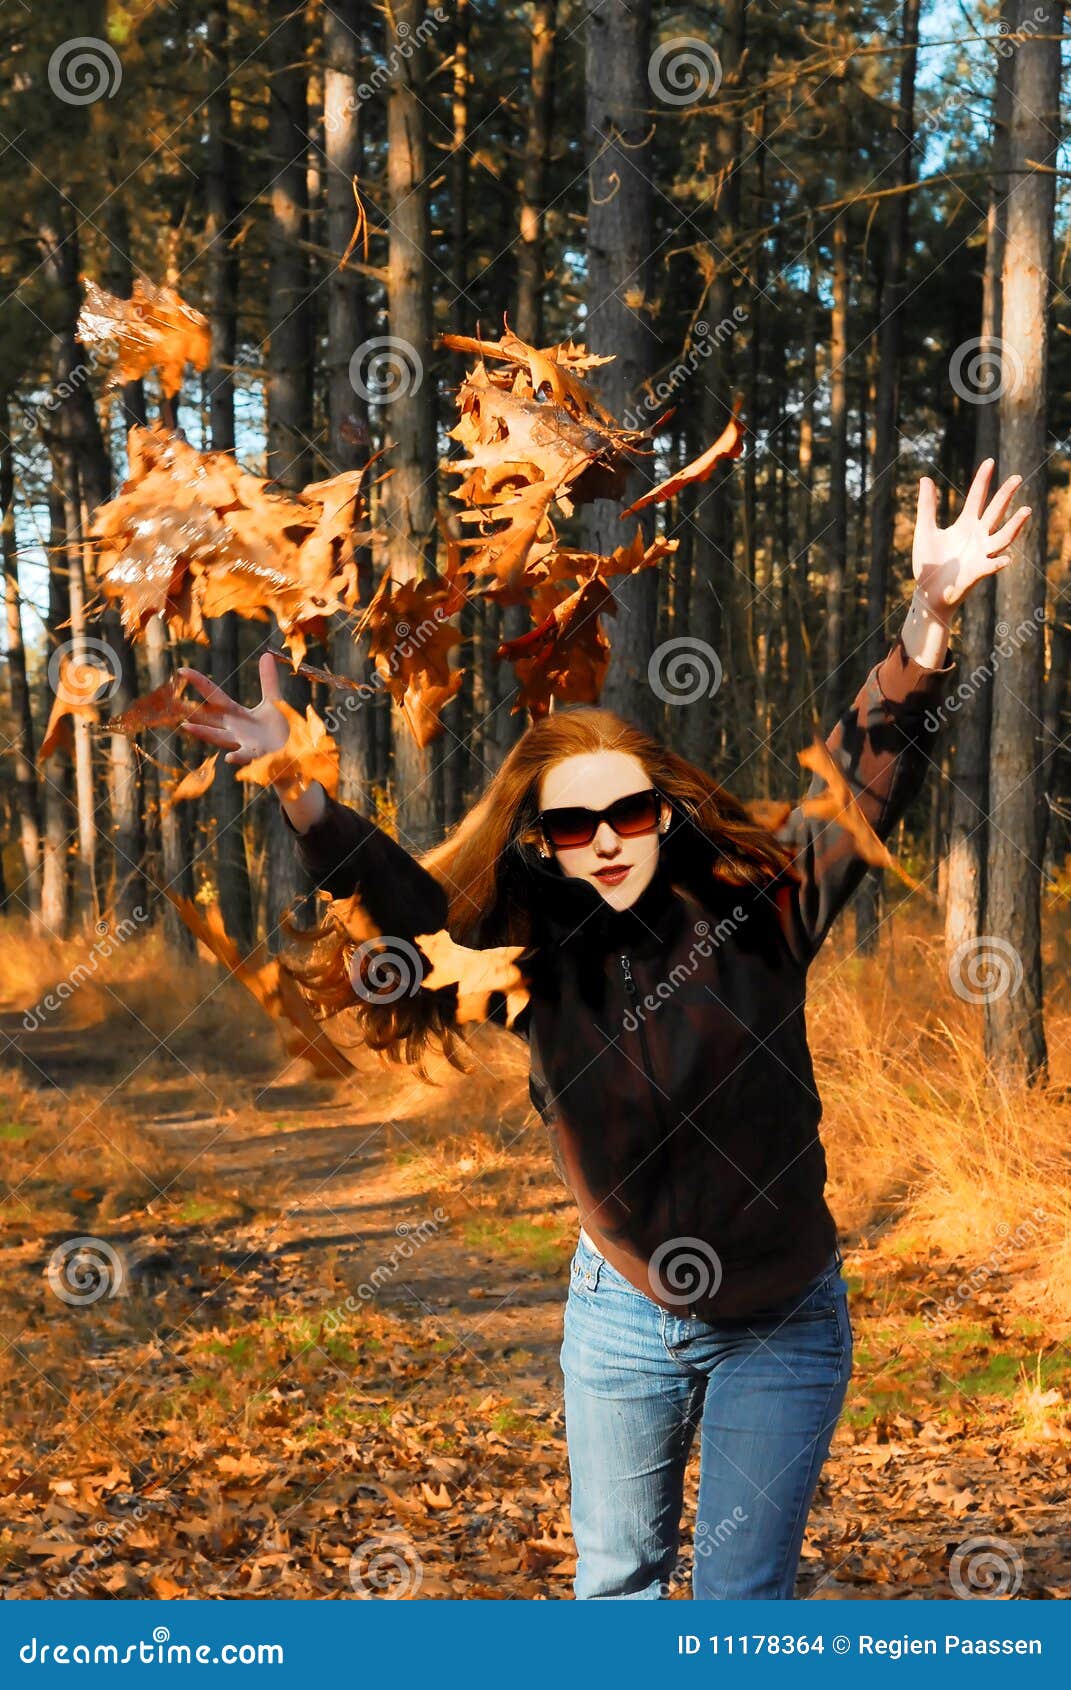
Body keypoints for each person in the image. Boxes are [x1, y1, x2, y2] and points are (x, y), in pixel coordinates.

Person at [180, 458, 1029, 1599]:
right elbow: (412, 908)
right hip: (622, 1311)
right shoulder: (531, 938)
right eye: (575, 827)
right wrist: (303, 792)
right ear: (544, 841)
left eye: (629, 811)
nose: (608, 840)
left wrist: (927, 620)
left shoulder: (761, 902)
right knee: (618, 1589)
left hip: (779, 1318)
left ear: (664, 808)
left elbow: (860, 784)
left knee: (740, 1605)